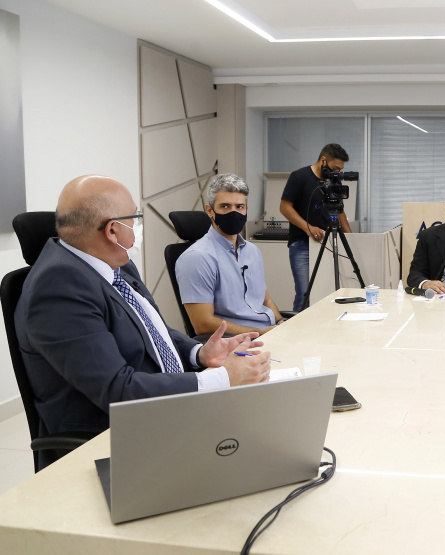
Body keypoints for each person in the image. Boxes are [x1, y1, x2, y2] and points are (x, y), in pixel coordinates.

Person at [15, 175, 272, 470]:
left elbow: (153, 329)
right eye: (135, 218)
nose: (138, 227)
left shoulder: (112, 261)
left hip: (161, 408)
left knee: (264, 423)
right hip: (115, 439)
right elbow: (118, 391)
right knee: (252, 458)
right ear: (112, 230)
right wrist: (223, 378)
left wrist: (198, 354)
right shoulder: (58, 286)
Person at [176, 173, 282, 335]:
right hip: (238, 343)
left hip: (269, 334)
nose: (234, 213)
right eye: (225, 206)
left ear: (246, 209)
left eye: (239, 207)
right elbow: (203, 324)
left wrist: (281, 323)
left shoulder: (252, 251)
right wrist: (261, 333)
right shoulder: (197, 258)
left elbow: (265, 299)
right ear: (210, 210)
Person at [280, 143, 354, 311]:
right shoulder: (299, 177)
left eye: (339, 170)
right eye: (335, 168)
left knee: (327, 291)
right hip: (302, 244)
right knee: (305, 292)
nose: (336, 173)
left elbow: (339, 210)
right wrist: (308, 227)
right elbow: (284, 207)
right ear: (323, 160)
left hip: (329, 244)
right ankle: (297, 330)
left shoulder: (332, 181)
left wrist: (351, 238)